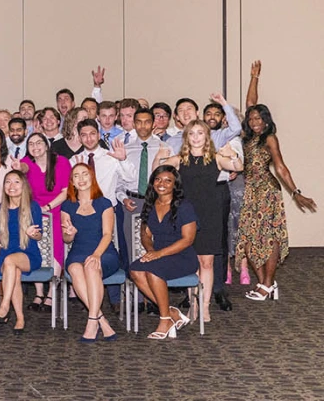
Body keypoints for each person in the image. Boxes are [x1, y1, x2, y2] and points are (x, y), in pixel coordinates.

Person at [154, 121, 242, 321]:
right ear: (186, 137)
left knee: (207, 262)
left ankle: (204, 306)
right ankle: (193, 302)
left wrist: (232, 154)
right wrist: (159, 157)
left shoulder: (217, 158)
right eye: (192, 133)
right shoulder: (179, 160)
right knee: (192, 262)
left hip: (210, 214)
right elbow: (157, 172)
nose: (196, 137)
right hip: (186, 215)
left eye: (200, 133)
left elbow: (238, 166)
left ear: (206, 136)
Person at [235, 95, 316, 301]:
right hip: (250, 191)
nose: (254, 122)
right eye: (252, 118)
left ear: (266, 121)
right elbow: (250, 103)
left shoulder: (269, 138)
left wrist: (295, 192)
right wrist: (254, 78)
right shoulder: (246, 136)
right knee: (247, 239)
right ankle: (264, 283)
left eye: (259, 119)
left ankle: (267, 284)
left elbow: (280, 166)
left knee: (269, 237)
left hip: (267, 190)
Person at [128, 165, 198, 339]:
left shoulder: (184, 206)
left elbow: (187, 240)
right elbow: (145, 234)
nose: (162, 184)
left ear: (175, 185)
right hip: (159, 254)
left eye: (168, 181)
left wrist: (158, 254)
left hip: (183, 256)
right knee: (135, 270)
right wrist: (151, 251)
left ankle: (165, 319)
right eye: (158, 179)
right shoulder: (150, 204)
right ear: (152, 182)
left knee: (153, 271)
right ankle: (171, 312)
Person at [61, 164, 120, 342]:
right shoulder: (67, 206)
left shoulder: (105, 203)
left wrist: (96, 255)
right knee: (75, 269)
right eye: (76, 176)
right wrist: (69, 234)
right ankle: (101, 320)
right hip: (78, 251)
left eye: (85, 174)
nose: (81, 179)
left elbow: (107, 235)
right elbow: (66, 239)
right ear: (72, 182)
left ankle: (92, 321)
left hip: (104, 251)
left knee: (92, 267)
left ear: (92, 177)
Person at [0, 170, 43, 333]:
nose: (12, 186)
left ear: (23, 185)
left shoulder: (33, 207)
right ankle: (20, 318)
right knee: (13, 270)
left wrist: (34, 233)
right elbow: (5, 241)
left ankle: (4, 306)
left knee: (10, 262)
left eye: (16, 182)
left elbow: (39, 236)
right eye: (8, 182)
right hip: (8, 252)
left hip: (29, 253)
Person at [17, 132, 70, 311]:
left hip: (56, 209)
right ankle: (39, 293)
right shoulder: (28, 162)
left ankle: (51, 294)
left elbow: (65, 191)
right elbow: (23, 167)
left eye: (39, 142)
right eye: (31, 143)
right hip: (33, 212)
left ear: (46, 145)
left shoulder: (61, 161)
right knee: (36, 249)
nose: (35, 146)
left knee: (54, 250)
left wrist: (47, 208)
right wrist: (18, 167)